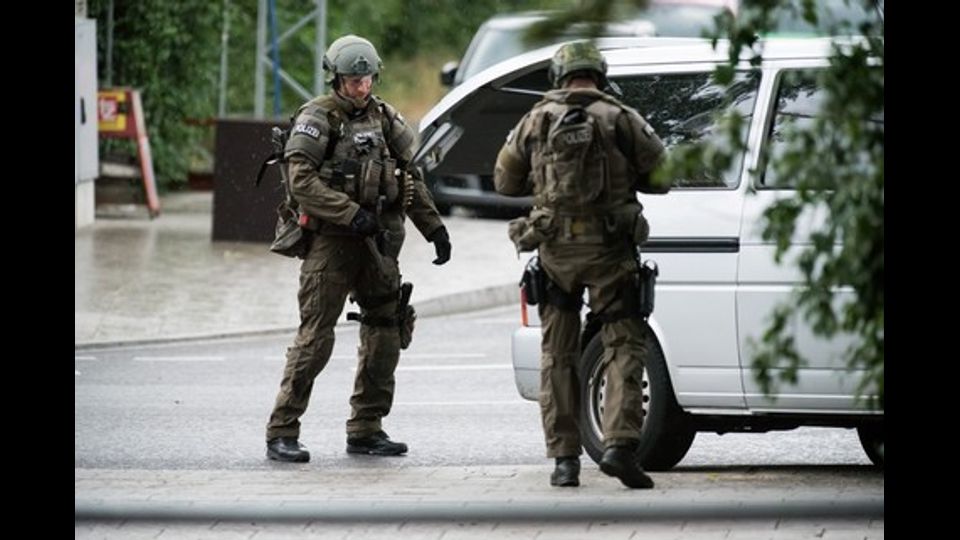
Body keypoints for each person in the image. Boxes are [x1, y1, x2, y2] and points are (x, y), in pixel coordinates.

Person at [265, 34, 452, 463]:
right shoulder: (317, 118)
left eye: (366, 78)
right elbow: (302, 183)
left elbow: (410, 177)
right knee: (315, 340)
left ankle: (367, 427)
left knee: (386, 330)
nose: (361, 87)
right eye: (353, 80)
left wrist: (434, 228)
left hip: (379, 244)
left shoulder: (385, 118)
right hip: (332, 243)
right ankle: (282, 430)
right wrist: (351, 213)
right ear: (336, 78)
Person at [493, 41, 668, 488]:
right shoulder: (621, 117)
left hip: (555, 255)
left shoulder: (534, 120)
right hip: (611, 252)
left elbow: (504, 181)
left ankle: (564, 461)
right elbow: (662, 175)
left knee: (558, 354)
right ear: (600, 75)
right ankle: (619, 446)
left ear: (558, 77)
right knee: (623, 344)